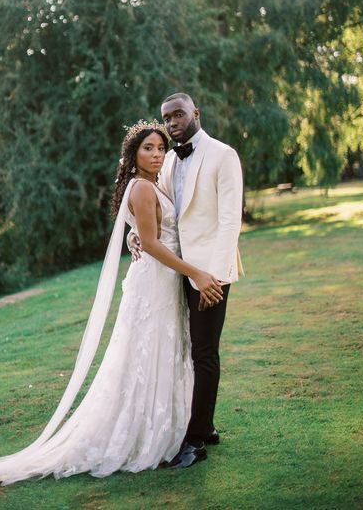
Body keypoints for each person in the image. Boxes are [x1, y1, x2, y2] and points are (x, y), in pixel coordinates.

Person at [0, 120, 223, 510]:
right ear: (133, 155)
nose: (157, 154)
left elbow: (144, 232)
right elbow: (154, 244)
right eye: (148, 149)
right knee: (148, 353)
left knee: (158, 351)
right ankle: (143, 435)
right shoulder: (141, 186)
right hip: (156, 281)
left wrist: (133, 237)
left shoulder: (151, 184)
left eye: (160, 148)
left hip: (160, 281)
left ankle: (168, 429)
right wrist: (195, 271)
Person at [129, 93, 243, 469]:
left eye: (179, 114)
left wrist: (217, 277)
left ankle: (195, 441)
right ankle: (204, 425)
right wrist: (137, 236)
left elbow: (229, 222)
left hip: (209, 273)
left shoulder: (223, 155)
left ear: (196, 114)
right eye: (167, 117)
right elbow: (162, 215)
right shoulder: (170, 160)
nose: (173, 121)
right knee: (185, 350)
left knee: (204, 353)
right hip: (174, 271)